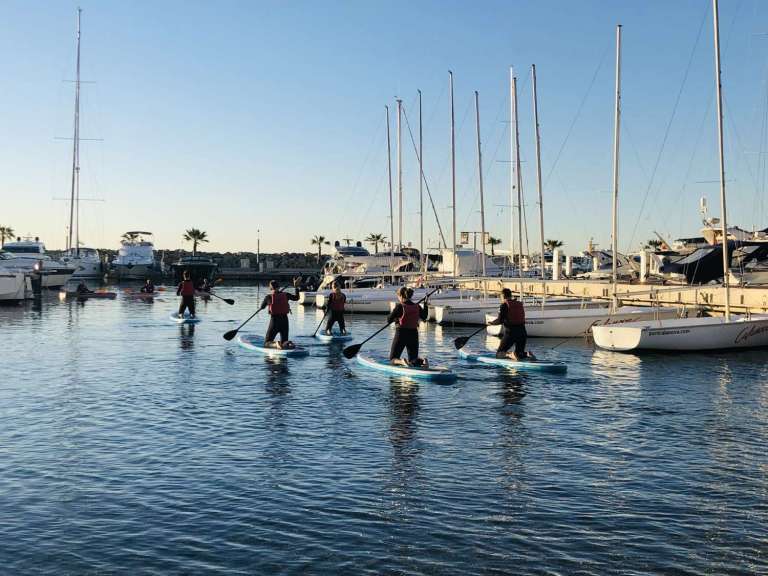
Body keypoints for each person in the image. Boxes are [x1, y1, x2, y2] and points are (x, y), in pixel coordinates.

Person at [487, 288, 535, 361]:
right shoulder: (519, 304)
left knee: (499, 354)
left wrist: (491, 323)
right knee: (520, 353)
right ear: (510, 295)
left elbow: (500, 320)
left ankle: (511, 355)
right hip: (522, 332)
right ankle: (527, 354)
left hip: (511, 333)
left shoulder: (504, 305)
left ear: (503, 296)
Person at [387, 287, 429, 367]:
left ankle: (402, 361)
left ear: (401, 296)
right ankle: (423, 361)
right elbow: (424, 316)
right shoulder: (417, 306)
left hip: (401, 333)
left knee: (392, 359)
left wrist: (396, 318)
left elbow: (389, 320)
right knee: (413, 359)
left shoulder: (400, 306)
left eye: (398, 296)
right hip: (413, 333)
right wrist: (425, 303)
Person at [259, 277, 301, 349]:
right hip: (284, 321)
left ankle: (276, 344)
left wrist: (264, 304)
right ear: (279, 287)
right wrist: (296, 287)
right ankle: (288, 344)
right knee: (284, 341)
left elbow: (262, 307)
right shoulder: (286, 295)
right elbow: (296, 298)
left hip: (274, 321)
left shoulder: (268, 297)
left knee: (266, 343)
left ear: (270, 288)